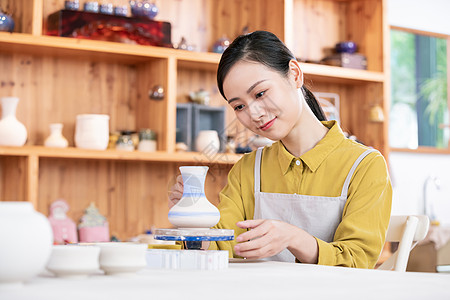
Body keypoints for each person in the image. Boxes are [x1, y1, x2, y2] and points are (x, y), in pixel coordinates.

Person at [169, 30, 392, 268]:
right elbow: (222, 248)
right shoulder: (248, 168)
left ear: (294, 74)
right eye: (239, 106)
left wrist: (294, 238)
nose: (253, 113)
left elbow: (358, 261)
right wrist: (191, 223)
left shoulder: (365, 166)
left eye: (260, 93)